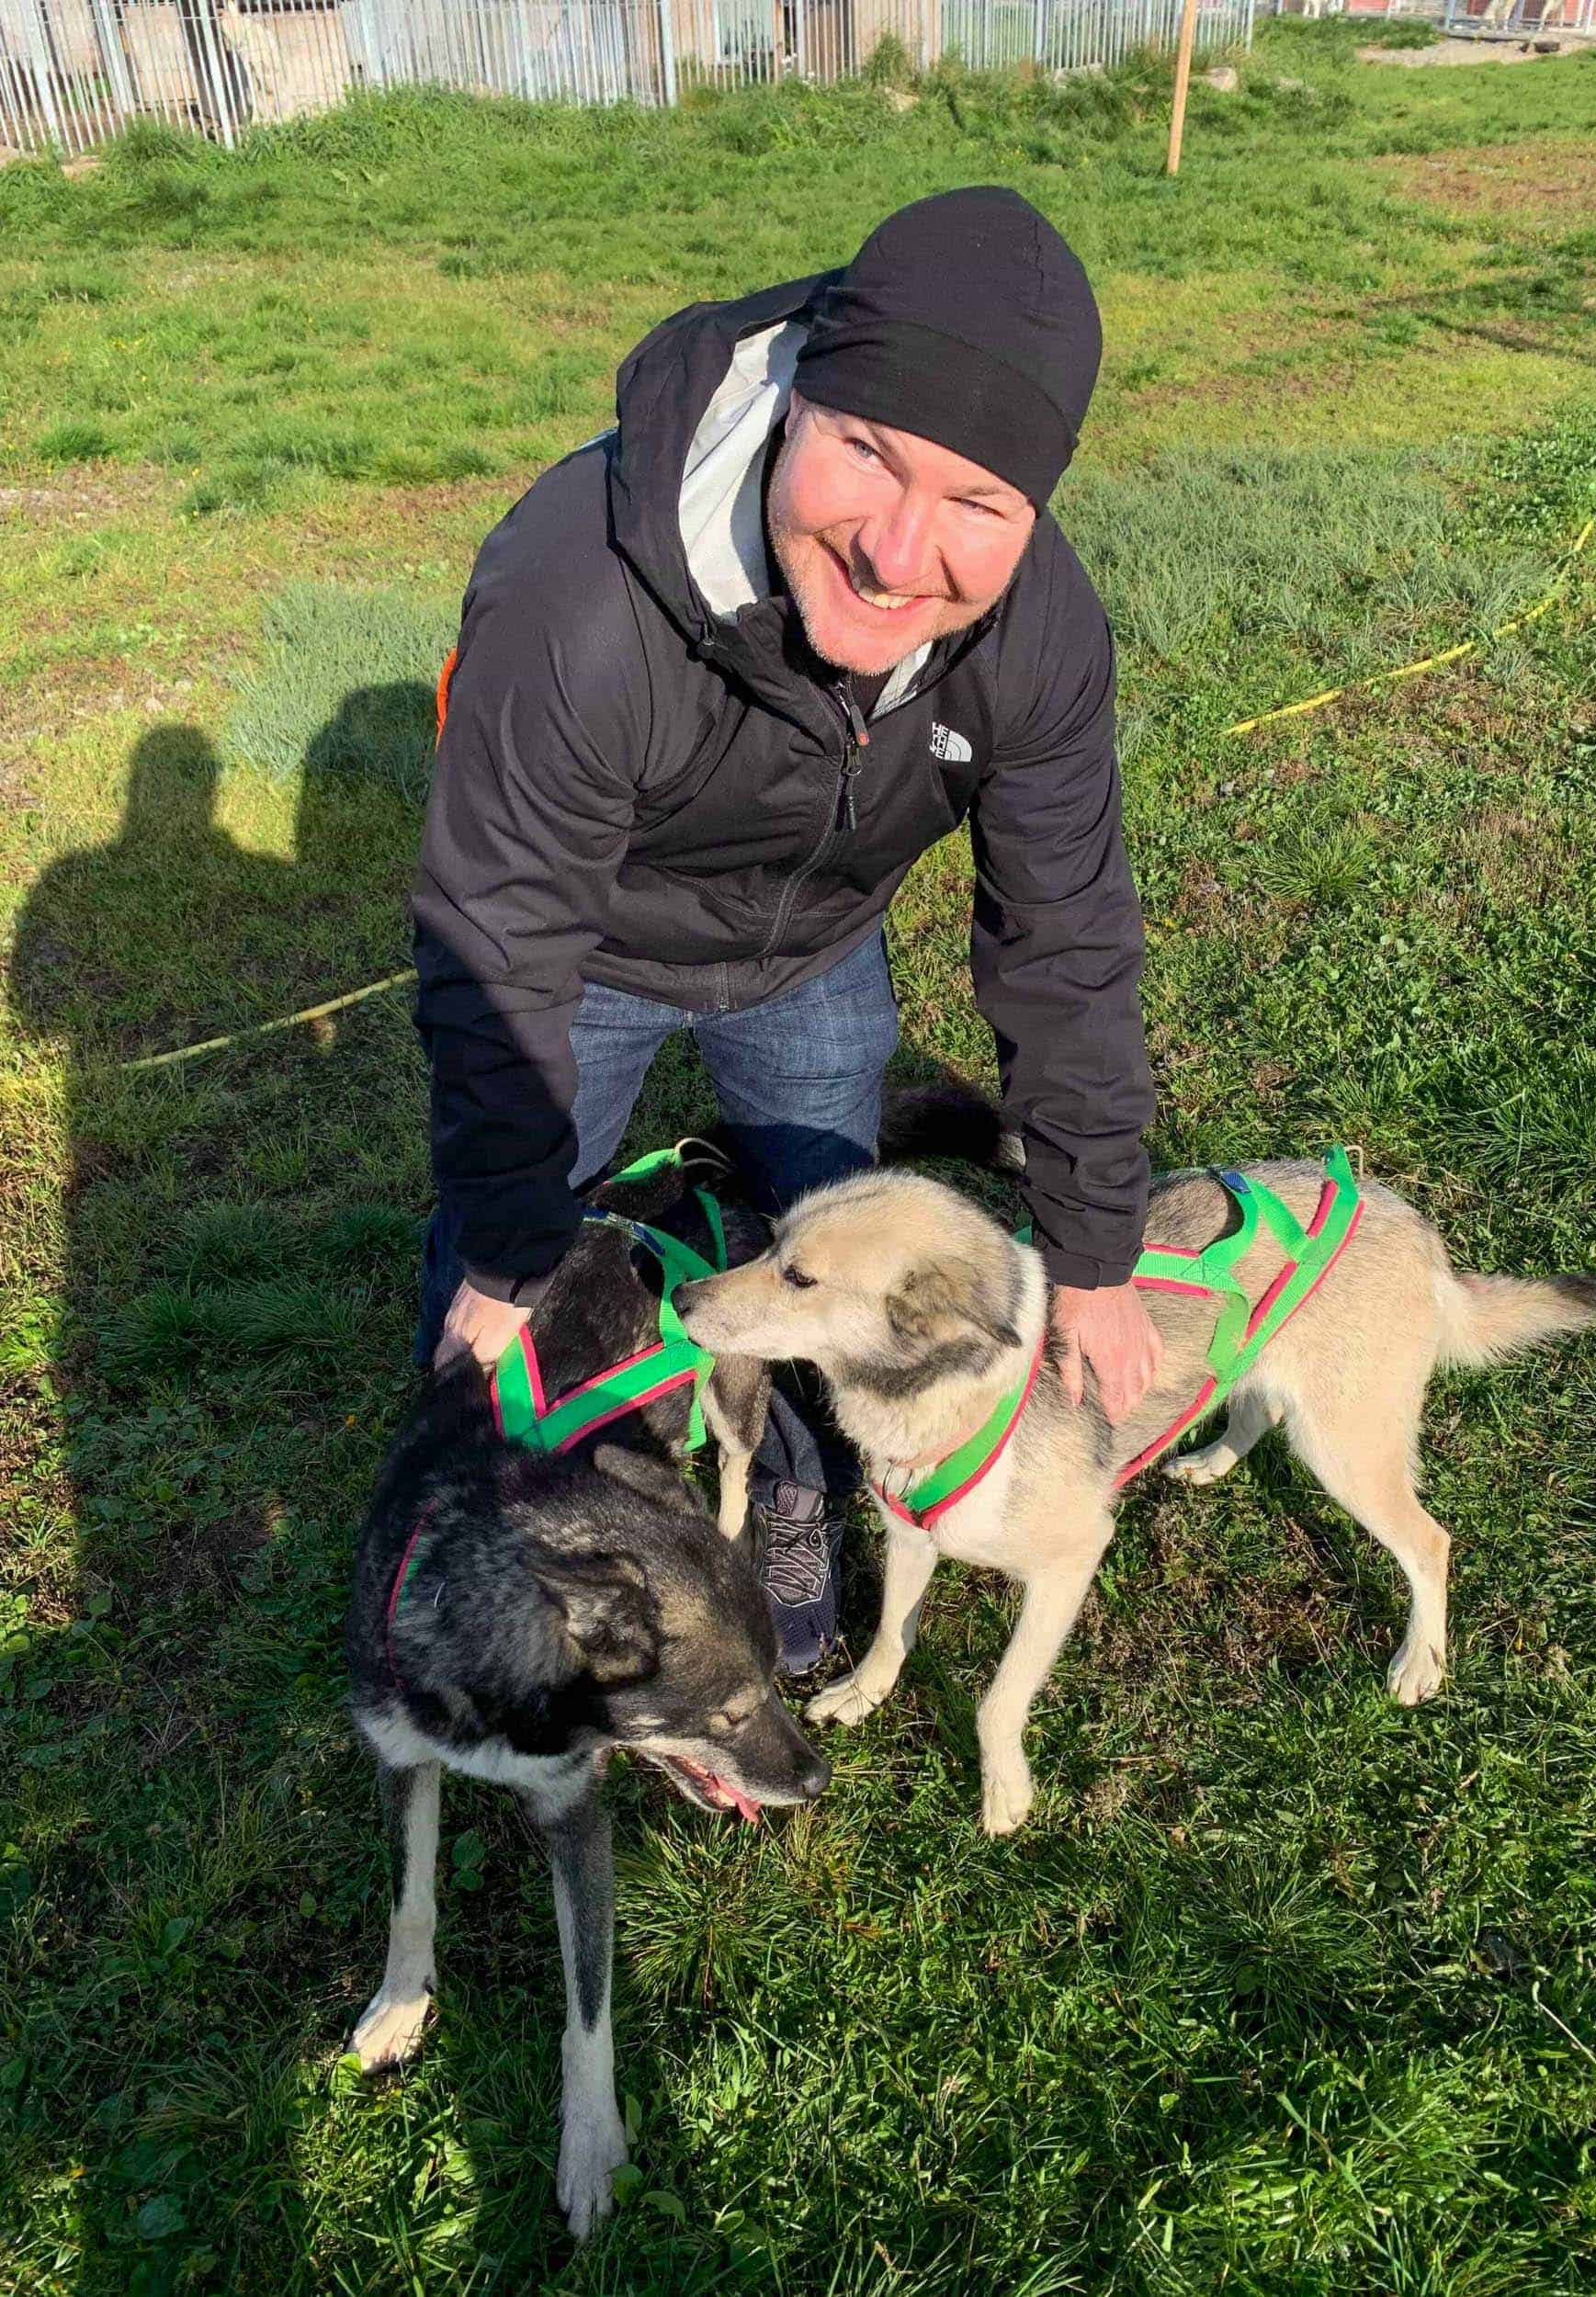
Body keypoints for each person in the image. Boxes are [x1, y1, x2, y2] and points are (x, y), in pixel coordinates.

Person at [413, 186, 1160, 1675]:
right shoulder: (576, 597)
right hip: (592, 963)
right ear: (803, 392)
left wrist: (1093, 1245)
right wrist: (504, 1264)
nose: (899, 551)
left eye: (980, 504)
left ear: (1037, 508)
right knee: (500, 1284)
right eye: (868, 454)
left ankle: (803, 1497)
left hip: (813, 954)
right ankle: (476, 1513)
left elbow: (1066, 930)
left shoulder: (1042, 629)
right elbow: (501, 941)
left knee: (840, 1233)